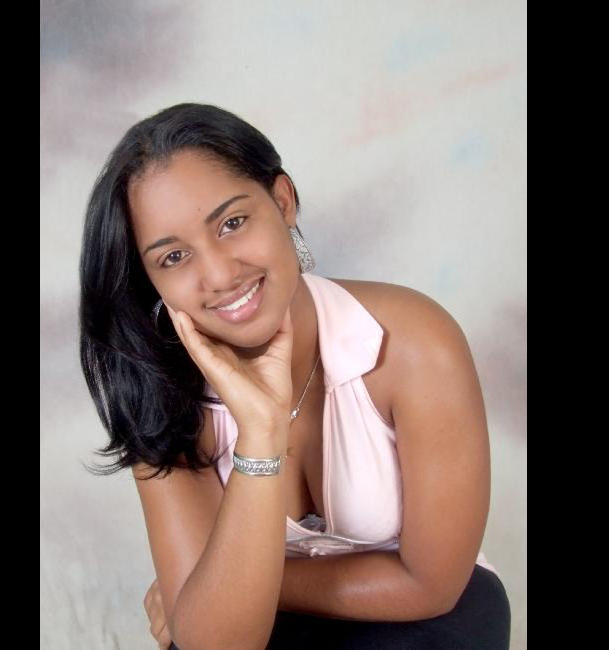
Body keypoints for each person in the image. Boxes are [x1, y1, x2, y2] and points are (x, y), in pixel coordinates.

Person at [79, 102, 511, 649]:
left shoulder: (417, 342)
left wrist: (220, 590)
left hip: (419, 621)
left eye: (232, 223)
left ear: (282, 201)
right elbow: (216, 643)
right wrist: (259, 432)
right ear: (150, 280)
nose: (219, 274)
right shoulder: (157, 394)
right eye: (173, 257)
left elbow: (432, 585)